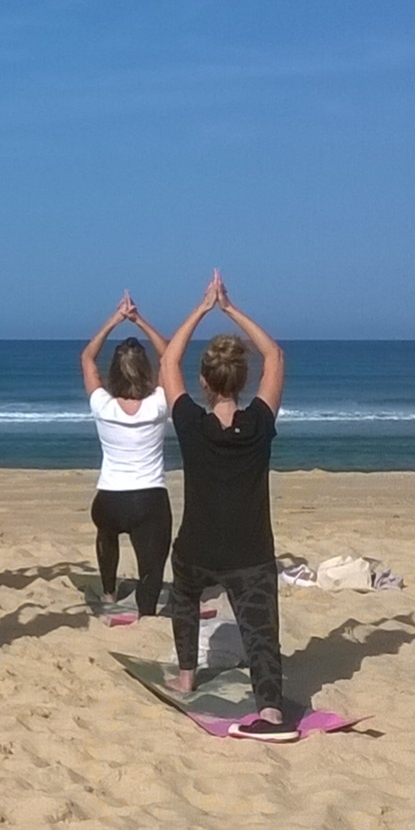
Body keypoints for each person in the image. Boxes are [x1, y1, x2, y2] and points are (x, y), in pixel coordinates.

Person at [157, 271, 290, 741]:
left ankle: (188, 674)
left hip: (198, 548)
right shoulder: (259, 423)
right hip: (250, 552)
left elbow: (167, 361)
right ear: (245, 378)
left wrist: (202, 307)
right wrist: (231, 308)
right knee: (260, 633)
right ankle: (270, 711)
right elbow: (275, 355)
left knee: (185, 599)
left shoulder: (191, 424)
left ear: (204, 381)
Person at [80, 292, 172, 619]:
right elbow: (169, 356)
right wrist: (140, 320)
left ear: (114, 374)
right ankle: (145, 610)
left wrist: (114, 320)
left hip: (109, 501)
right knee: (153, 562)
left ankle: (108, 595)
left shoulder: (102, 406)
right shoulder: (160, 404)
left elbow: (88, 358)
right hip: (149, 500)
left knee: (107, 537)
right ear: (145, 371)